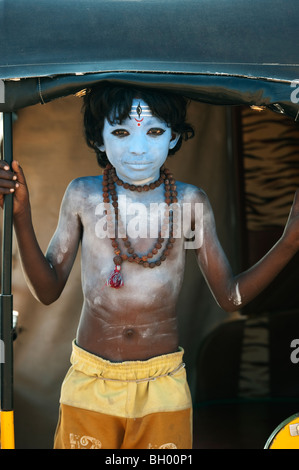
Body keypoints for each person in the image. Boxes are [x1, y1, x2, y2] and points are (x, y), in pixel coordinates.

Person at [1, 83, 299, 449]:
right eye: (121, 131)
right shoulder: (83, 195)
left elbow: (230, 297)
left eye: (155, 131)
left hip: (163, 386)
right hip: (90, 382)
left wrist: (290, 242)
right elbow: (47, 290)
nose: (138, 148)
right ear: (98, 138)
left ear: (174, 137)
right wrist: (20, 216)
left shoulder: (190, 203)